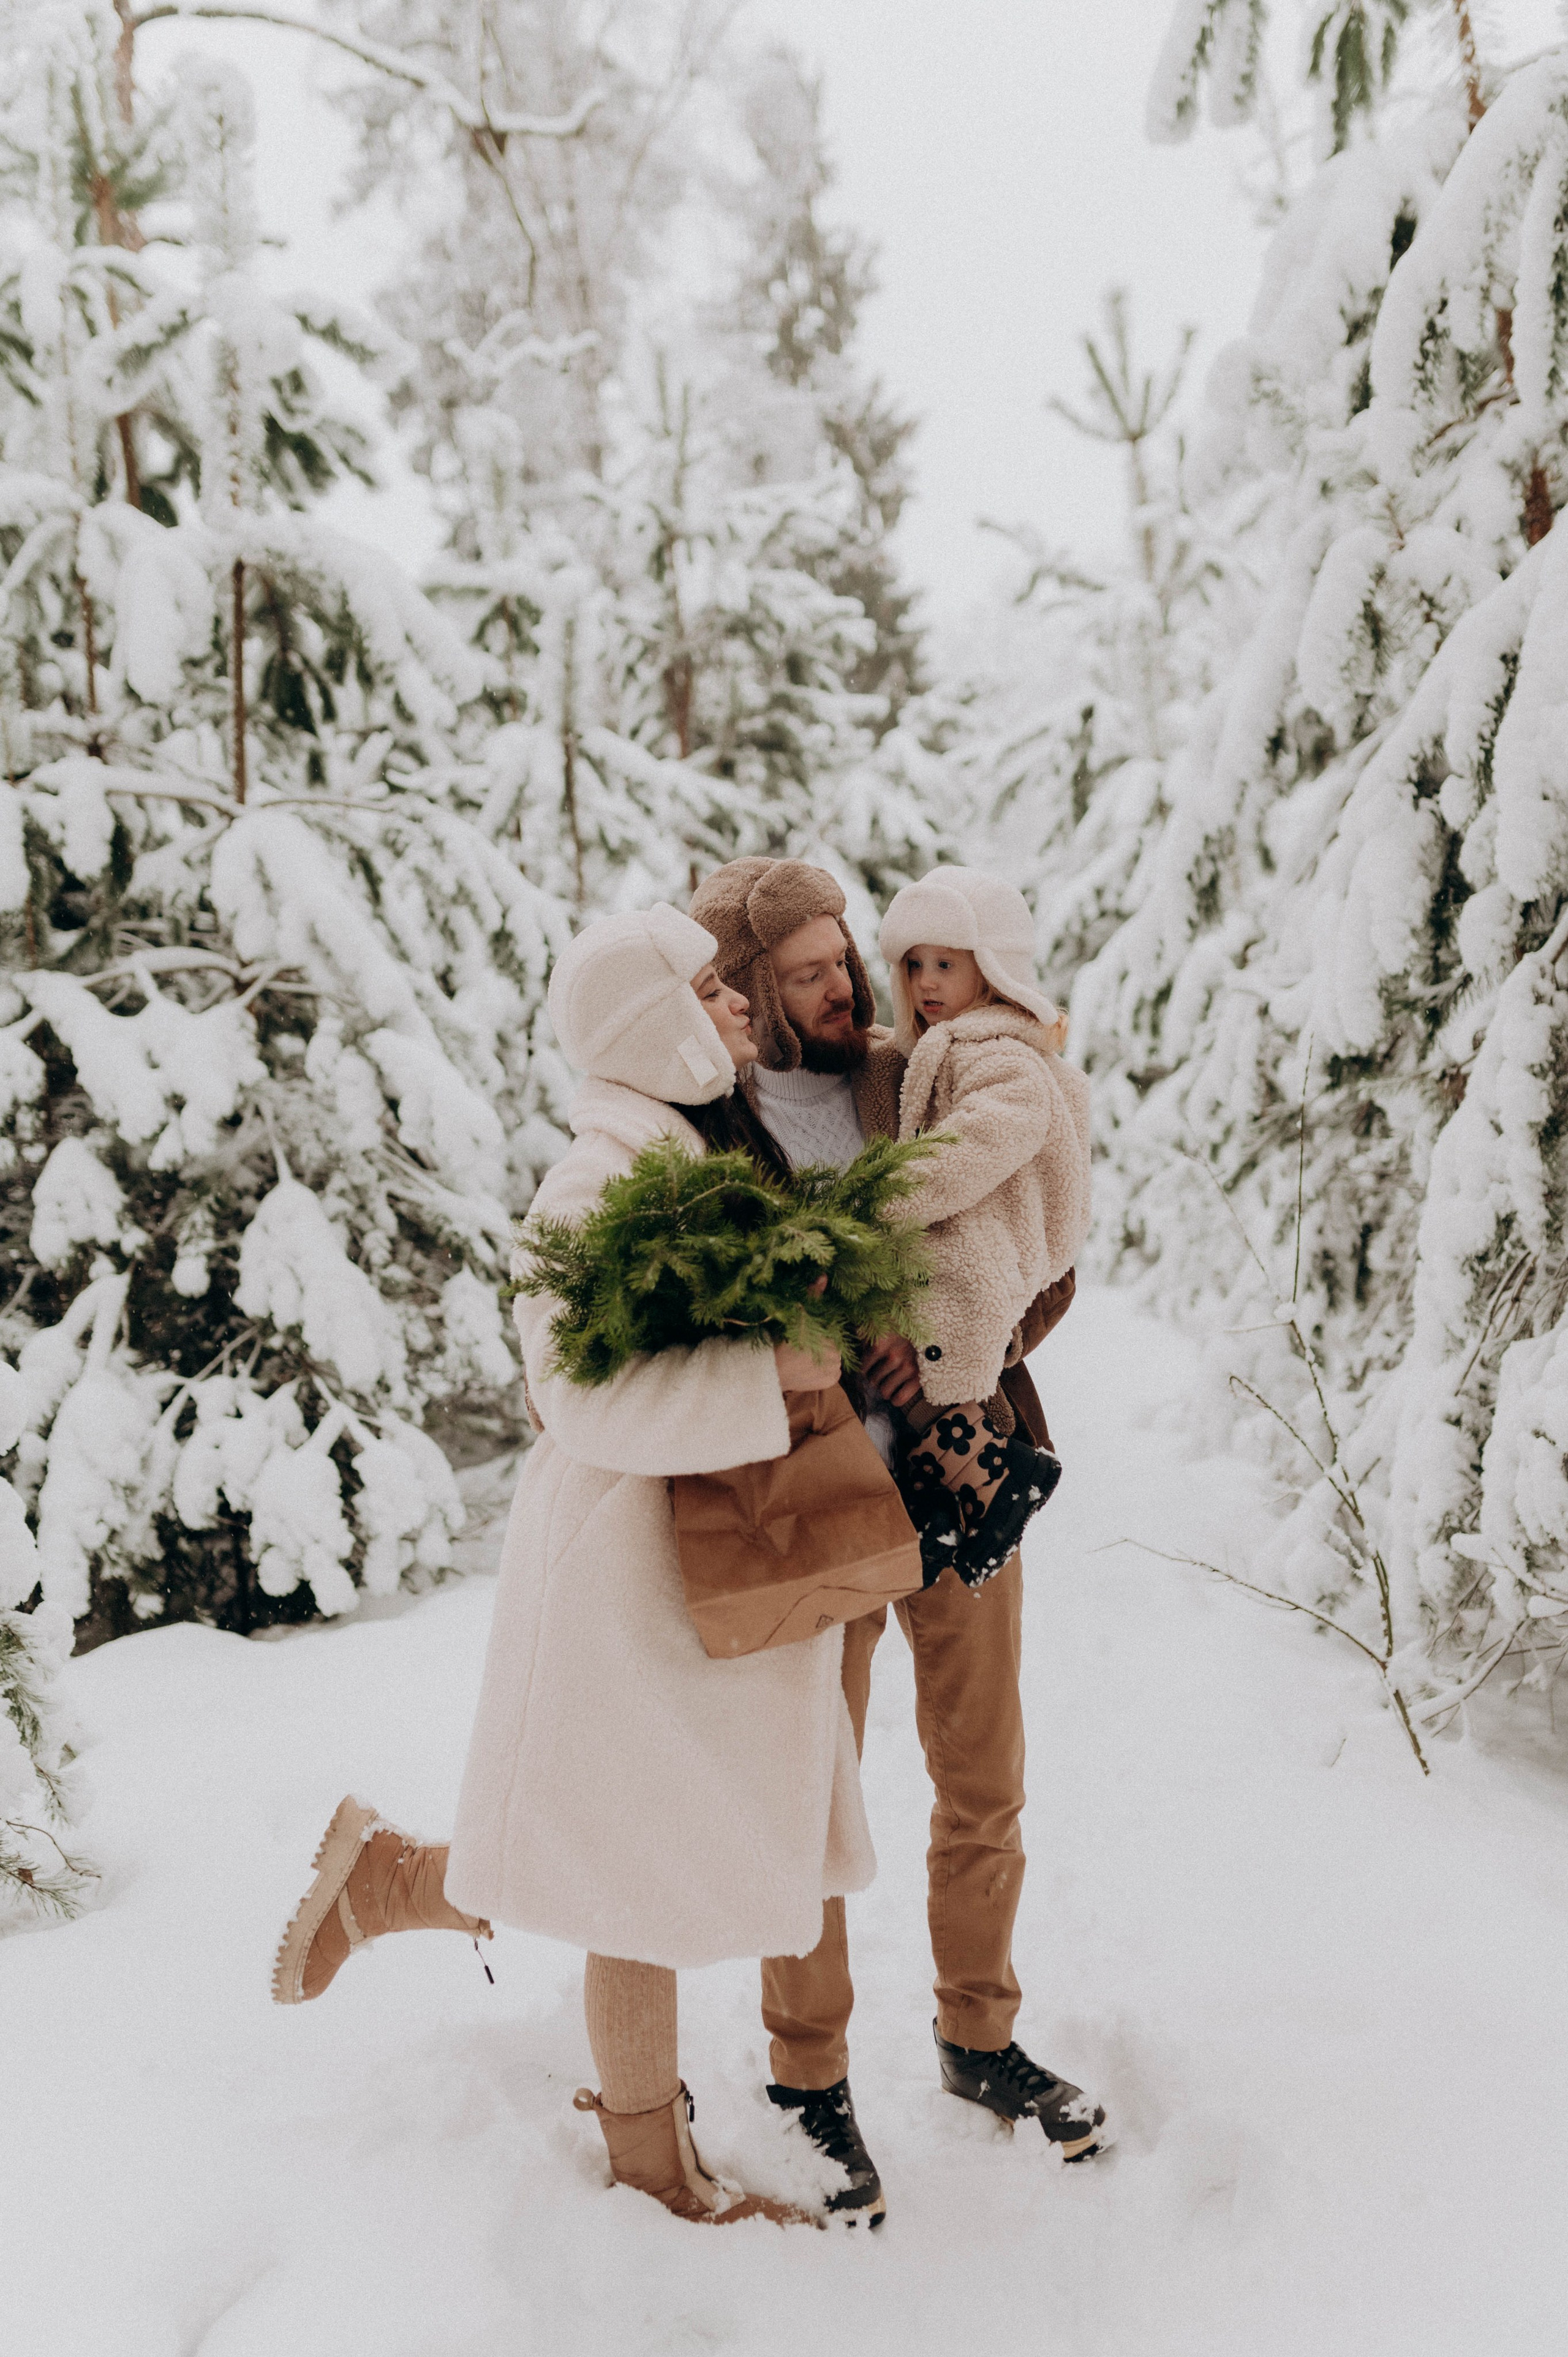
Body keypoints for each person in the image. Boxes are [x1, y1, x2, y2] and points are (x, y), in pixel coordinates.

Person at [272, 902, 879, 2229]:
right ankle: (650, 2170)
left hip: (685, 1576)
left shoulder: (683, 1148)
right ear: (650, 1019)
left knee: (635, 1861)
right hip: (626, 1582)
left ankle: (384, 1878)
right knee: (633, 1879)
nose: (737, 1006)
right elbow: (574, 1397)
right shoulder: (602, 1174)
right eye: (711, 989)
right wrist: (767, 1376)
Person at [688, 855, 1107, 2210]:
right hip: (813, 1506)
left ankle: (977, 2035)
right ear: (751, 984)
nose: (843, 982)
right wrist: (823, 1343)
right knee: (814, 1796)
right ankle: (806, 2077)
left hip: (958, 1472)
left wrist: (954, 1354)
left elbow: (1016, 1237)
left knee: (982, 1774)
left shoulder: (898, 1077)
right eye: (806, 967)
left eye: (840, 954)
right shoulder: (710, 1120)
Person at [876, 866, 1092, 1588]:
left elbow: (980, 1142)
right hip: (977, 1244)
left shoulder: (996, 1052)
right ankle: (943, 1498)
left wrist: (886, 1196)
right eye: (913, 965)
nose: (926, 982)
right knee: (931, 1373)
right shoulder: (960, 1044)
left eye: (945, 964)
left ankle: (1002, 1477)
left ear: (992, 969)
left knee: (934, 1354)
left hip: (984, 1245)